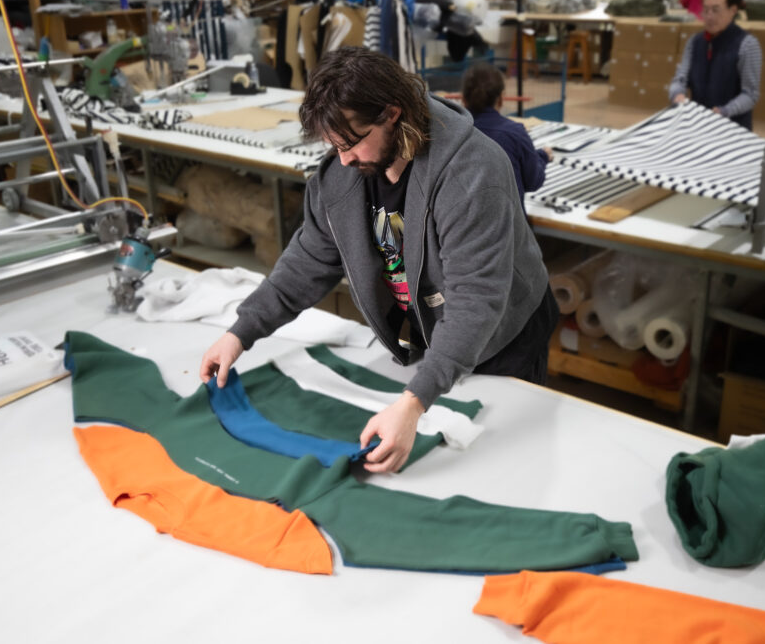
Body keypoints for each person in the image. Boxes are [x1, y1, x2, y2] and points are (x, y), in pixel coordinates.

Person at [199, 47, 558, 474]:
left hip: (504, 339)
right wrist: (240, 333)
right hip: (436, 329)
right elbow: (308, 261)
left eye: (351, 143)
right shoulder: (344, 172)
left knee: (495, 467)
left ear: (392, 114)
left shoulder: (472, 172)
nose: (344, 159)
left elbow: (476, 301)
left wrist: (414, 402)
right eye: (334, 146)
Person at [460, 61, 551, 217]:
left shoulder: (449, 133)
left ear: (463, 100)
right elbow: (533, 181)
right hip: (508, 233)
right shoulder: (514, 133)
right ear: (501, 99)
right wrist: (543, 156)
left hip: (458, 230)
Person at [668, 0, 762, 130]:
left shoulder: (747, 45)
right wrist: (677, 94)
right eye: (705, 10)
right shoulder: (695, 42)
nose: (709, 16)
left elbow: (750, 94)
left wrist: (724, 111)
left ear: (733, 10)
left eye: (716, 10)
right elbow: (680, 78)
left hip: (732, 128)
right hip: (698, 125)